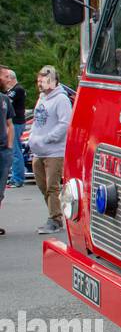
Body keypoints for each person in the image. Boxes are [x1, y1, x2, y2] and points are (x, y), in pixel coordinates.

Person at [29, 65, 72, 235]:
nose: (40, 84)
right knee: (42, 185)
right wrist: (33, 139)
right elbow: (37, 121)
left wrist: (47, 139)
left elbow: (64, 124)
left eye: (44, 81)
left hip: (54, 152)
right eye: (39, 81)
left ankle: (55, 219)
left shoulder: (61, 99)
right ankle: (55, 215)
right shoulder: (42, 99)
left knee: (52, 186)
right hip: (38, 151)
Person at [0, 69, 25, 187]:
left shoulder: (17, 90)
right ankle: (15, 176)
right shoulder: (12, 91)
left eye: (8, 77)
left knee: (15, 151)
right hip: (14, 122)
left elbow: (7, 100)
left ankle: (17, 178)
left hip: (16, 122)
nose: (7, 80)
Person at [0, 85, 14, 236]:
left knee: (0, 191)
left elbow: (10, 124)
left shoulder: (4, 100)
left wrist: (9, 147)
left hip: (3, 150)